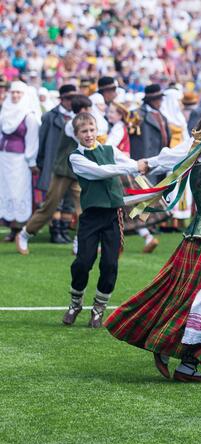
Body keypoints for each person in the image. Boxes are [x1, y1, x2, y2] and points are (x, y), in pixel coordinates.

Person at [104, 117, 201, 382]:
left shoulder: (194, 165)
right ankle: (168, 346)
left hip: (198, 235)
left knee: (182, 290)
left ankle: (185, 363)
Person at [62, 112, 142, 328]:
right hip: (91, 217)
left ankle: (98, 308)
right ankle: (75, 302)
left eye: (91, 130)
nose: (88, 135)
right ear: (76, 134)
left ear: (97, 130)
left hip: (113, 215)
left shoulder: (109, 150)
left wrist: (148, 167)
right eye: (83, 131)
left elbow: (132, 164)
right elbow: (101, 172)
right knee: (83, 262)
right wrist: (134, 166)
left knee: (110, 264)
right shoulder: (76, 157)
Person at [16, 94, 93, 255]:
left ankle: (79, 242)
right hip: (63, 171)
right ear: (80, 110)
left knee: (84, 209)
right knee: (49, 207)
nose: (89, 111)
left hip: (79, 171)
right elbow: (84, 140)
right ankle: (24, 234)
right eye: (87, 108)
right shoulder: (70, 125)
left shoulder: (85, 121)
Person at [105, 101, 162, 253]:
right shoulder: (120, 127)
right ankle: (147, 237)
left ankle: (114, 244)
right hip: (126, 171)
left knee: (119, 208)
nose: (109, 114)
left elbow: (109, 148)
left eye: (112, 112)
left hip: (121, 172)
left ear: (120, 115)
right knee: (130, 208)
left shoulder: (117, 128)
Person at [0, 81, 40, 241]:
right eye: (13, 93)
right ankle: (11, 227)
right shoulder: (5, 111)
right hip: (4, 158)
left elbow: (32, 140)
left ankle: (21, 228)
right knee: (6, 190)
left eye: (19, 93)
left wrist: (31, 161)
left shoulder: (29, 115)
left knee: (19, 192)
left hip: (20, 160)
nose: (15, 96)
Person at [130, 84, 171, 164]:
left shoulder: (162, 116)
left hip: (160, 160)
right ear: (151, 100)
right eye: (158, 99)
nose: (161, 101)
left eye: (161, 98)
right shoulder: (137, 114)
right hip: (145, 161)